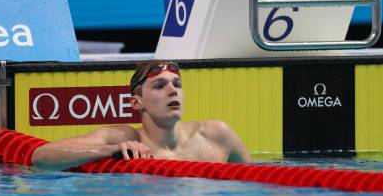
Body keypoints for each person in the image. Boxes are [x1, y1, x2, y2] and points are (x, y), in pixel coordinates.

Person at [31, 61, 251, 170]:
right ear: (136, 102)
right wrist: (111, 150)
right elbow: (41, 156)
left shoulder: (216, 135)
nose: (172, 91)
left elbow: (257, 185)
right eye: (159, 86)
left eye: (177, 84)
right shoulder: (125, 138)